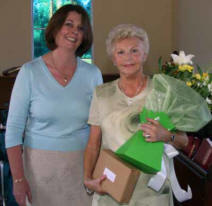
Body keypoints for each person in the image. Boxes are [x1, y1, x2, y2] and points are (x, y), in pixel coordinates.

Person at [5, 4, 102, 206]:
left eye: (81, 28)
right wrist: (18, 180)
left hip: (82, 169)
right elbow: (13, 131)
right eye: (69, 24)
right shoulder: (29, 72)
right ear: (56, 27)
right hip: (39, 170)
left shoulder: (93, 75)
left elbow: (99, 128)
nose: (74, 31)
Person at [83, 24, 190, 206]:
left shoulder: (162, 92)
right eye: (121, 52)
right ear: (113, 58)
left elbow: (183, 141)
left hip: (152, 191)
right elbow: (93, 144)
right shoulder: (101, 94)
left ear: (144, 55)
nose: (128, 58)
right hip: (112, 189)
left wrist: (166, 135)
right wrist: (87, 178)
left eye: (134, 51)